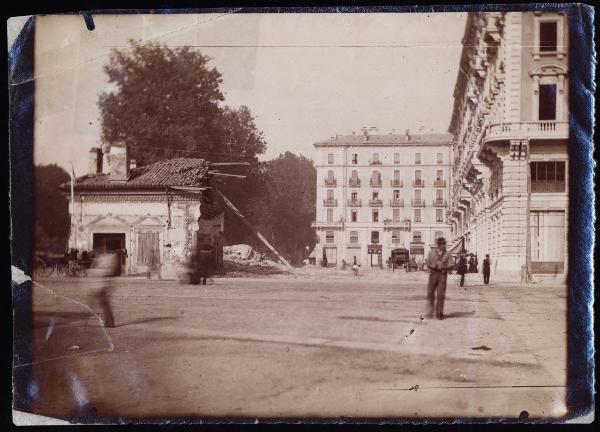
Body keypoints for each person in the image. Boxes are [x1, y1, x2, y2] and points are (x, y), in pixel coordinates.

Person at [425, 237, 453, 320]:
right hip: (433, 275)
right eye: (442, 244)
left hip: (442, 275)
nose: (444, 246)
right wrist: (432, 265)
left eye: (444, 244)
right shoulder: (431, 252)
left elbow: (451, 264)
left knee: (441, 295)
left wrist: (444, 266)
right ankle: (430, 312)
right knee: (430, 294)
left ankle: (439, 313)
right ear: (438, 245)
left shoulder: (448, 254)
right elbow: (427, 261)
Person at [89, 252, 119, 328]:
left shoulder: (105, 261)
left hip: (102, 286)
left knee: (104, 304)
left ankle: (110, 323)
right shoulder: (109, 260)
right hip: (103, 285)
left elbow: (104, 273)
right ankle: (109, 322)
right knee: (104, 304)